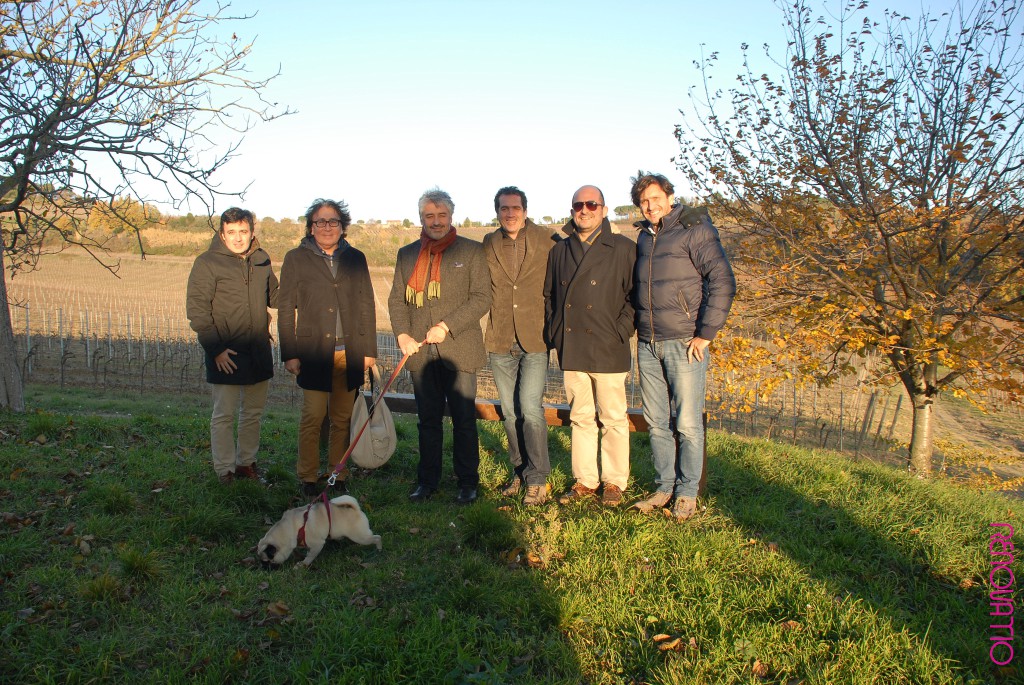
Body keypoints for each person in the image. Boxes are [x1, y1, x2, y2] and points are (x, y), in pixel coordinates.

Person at [629, 171, 735, 521]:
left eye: (656, 198)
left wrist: (705, 332)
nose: (650, 205)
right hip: (648, 343)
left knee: (687, 422)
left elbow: (722, 279)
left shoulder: (694, 229)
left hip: (684, 343)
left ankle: (688, 492)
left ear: (669, 197)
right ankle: (664, 487)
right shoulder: (645, 238)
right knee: (657, 421)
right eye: (644, 201)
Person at [389, 188, 491, 505]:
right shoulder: (407, 254)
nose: (436, 221)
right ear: (422, 218)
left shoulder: (472, 252)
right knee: (428, 422)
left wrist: (447, 326)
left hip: (460, 350)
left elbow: (482, 298)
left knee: (463, 421)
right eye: (429, 216)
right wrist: (403, 336)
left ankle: (467, 483)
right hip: (420, 353)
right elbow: (396, 300)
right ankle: (427, 481)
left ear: (451, 216)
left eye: (441, 215)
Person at [278, 199, 377, 498]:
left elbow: (366, 305)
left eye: (333, 221)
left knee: (342, 419)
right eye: (320, 222)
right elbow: (284, 310)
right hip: (313, 353)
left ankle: (337, 472)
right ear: (311, 226)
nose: (326, 227)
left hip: (349, 352)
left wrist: (368, 350)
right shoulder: (296, 258)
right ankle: (308, 476)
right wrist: (290, 352)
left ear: (343, 226)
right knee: (312, 416)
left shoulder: (356, 258)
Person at [544, 185, 636, 506]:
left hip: (609, 345)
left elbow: (634, 298)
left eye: (591, 204)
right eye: (578, 205)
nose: (584, 210)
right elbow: (551, 299)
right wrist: (558, 335)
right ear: (572, 211)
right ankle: (585, 481)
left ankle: (614, 482)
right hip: (572, 346)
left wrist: (620, 330)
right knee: (580, 417)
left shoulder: (623, 248)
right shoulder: (560, 251)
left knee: (612, 417)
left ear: (604, 210)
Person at [186, 207, 279, 484]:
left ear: (252, 232)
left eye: (243, 231)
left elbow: (274, 295)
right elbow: (198, 311)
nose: (238, 238)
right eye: (231, 232)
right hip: (225, 352)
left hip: (258, 349)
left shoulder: (262, 259)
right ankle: (224, 470)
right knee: (224, 415)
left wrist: (304, 287)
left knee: (253, 413)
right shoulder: (207, 263)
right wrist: (215, 350)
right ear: (222, 234)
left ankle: (246, 464)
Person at [482, 186, 554, 506]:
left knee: (531, 409)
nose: (510, 214)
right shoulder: (488, 243)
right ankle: (519, 471)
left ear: (525, 211)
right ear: (497, 212)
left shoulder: (548, 240)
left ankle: (538, 479)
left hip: (535, 338)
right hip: (499, 339)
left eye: (515, 208)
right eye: (503, 209)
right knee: (510, 414)